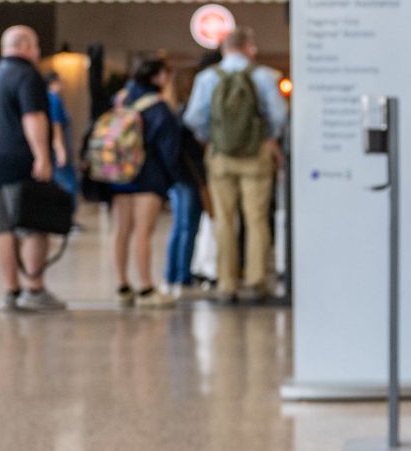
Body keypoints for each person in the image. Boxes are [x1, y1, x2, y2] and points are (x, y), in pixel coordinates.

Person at [185, 27, 287, 302]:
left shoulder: (208, 78)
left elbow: (194, 117)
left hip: (220, 157)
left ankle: (227, 284)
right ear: (249, 48)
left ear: (224, 48)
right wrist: (266, 137)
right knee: (256, 220)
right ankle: (255, 281)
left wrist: (212, 138)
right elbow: (278, 115)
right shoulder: (264, 76)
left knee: (225, 221)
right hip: (256, 156)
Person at [0, 26, 64, 311]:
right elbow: (34, 118)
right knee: (34, 226)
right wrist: (42, 156)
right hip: (21, 161)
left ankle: (11, 291)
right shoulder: (28, 75)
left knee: (2, 228)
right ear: (26, 46)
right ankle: (35, 289)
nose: (39, 51)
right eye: (37, 45)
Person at [103, 58, 190, 307]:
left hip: (119, 174)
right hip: (148, 175)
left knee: (121, 230)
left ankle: (122, 286)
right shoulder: (158, 107)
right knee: (143, 230)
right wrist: (173, 176)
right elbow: (168, 147)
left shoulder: (122, 99)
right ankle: (146, 287)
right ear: (157, 77)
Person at [167, 50, 222, 293]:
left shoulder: (174, 112)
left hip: (178, 176)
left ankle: (174, 273)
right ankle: (182, 274)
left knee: (181, 226)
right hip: (191, 176)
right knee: (189, 226)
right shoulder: (188, 117)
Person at [44, 72, 79, 199]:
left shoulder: (53, 98)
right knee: (69, 183)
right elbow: (56, 125)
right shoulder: (53, 99)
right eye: (60, 82)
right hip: (60, 148)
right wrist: (60, 150)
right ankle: (67, 216)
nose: (63, 85)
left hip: (60, 147)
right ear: (53, 83)